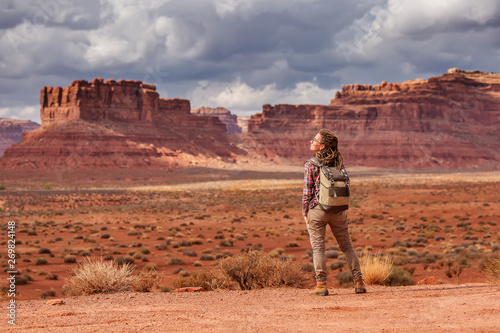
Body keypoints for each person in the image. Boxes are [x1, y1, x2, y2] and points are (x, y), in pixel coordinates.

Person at [302, 129, 366, 296]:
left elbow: (307, 192)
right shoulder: (338, 163)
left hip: (317, 210)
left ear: (321, 146)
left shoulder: (311, 164)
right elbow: (347, 186)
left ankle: (321, 285)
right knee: (347, 247)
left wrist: (305, 213)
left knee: (318, 249)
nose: (311, 142)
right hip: (338, 210)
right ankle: (359, 282)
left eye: (314, 140)